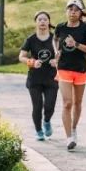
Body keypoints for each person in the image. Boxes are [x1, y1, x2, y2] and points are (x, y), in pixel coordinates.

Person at [56, 0, 86, 150]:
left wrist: (76, 44)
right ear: (66, 11)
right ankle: (68, 137)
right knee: (67, 103)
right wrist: (56, 52)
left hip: (80, 69)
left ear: (80, 13)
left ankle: (73, 128)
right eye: (70, 9)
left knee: (77, 103)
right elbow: (56, 41)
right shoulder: (60, 27)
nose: (72, 12)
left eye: (76, 10)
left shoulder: (85, 29)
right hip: (64, 68)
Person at [19, 11, 59, 141]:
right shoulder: (31, 39)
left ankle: (47, 121)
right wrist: (32, 62)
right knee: (37, 106)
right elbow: (22, 56)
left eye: (45, 19)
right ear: (36, 22)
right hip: (35, 78)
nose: (42, 22)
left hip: (51, 78)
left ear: (48, 22)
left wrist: (57, 61)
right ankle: (38, 130)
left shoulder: (55, 39)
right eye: (40, 19)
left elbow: (61, 54)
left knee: (50, 106)